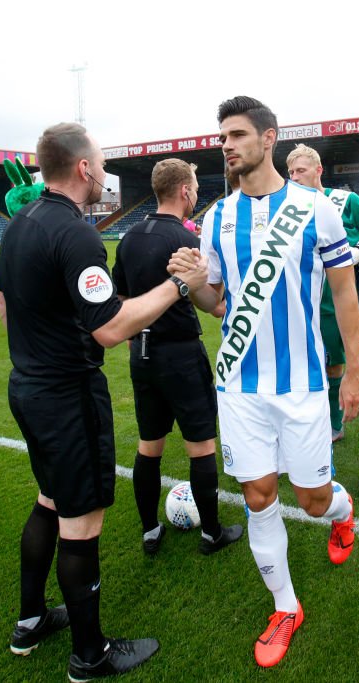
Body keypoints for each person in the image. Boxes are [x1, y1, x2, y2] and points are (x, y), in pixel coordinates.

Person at [0, 122, 208, 680]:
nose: (107, 175)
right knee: (80, 521)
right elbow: (111, 327)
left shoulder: (19, 224)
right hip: (67, 395)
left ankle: (30, 620)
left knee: (48, 499)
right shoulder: (77, 234)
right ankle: (90, 655)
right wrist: (180, 285)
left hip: (28, 386)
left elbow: (3, 306)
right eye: (103, 164)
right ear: (83, 168)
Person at [168, 96, 359, 668]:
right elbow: (219, 303)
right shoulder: (217, 218)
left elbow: (344, 292)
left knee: (311, 501)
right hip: (239, 386)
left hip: (302, 385)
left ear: (269, 137)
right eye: (221, 136)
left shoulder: (317, 209)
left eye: (235, 134)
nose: (225, 145)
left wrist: (354, 370)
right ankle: (285, 606)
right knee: (258, 497)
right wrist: (195, 283)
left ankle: (343, 511)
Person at [111, 158, 242, 557]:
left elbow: (120, 298)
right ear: (185, 191)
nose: (197, 193)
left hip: (143, 356)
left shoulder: (130, 235)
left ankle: (150, 531)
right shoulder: (186, 240)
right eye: (196, 186)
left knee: (149, 445)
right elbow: (209, 303)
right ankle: (211, 534)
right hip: (181, 355)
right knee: (200, 446)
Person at [286, 143, 359, 491]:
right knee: (332, 372)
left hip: (354, 306)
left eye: (301, 170)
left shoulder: (346, 201)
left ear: (318, 171)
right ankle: (335, 426)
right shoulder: (289, 212)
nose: (295, 177)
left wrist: (358, 253)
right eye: (291, 172)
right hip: (317, 312)